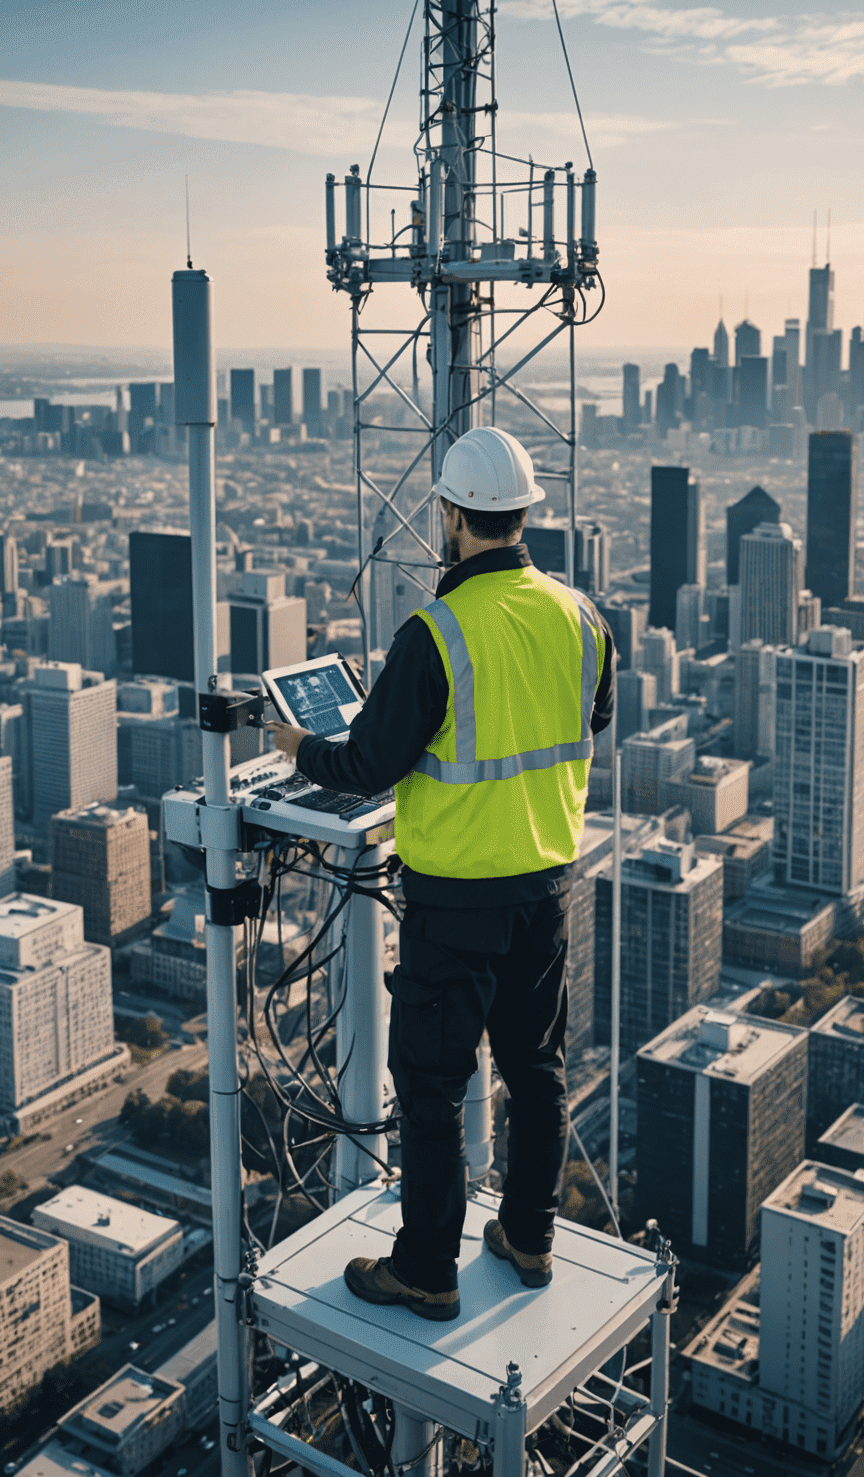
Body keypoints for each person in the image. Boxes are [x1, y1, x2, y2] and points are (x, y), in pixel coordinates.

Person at [266, 426, 614, 1322]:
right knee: (537, 1071)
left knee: (431, 1090)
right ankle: (529, 1239)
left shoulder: (436, 632)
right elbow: (591, 718)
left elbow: (370, 764)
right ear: (526, 512)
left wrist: (302, 748)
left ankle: (427, 1268)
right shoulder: (582, 618)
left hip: (454, 901)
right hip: (544, 890)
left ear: (453, 518)